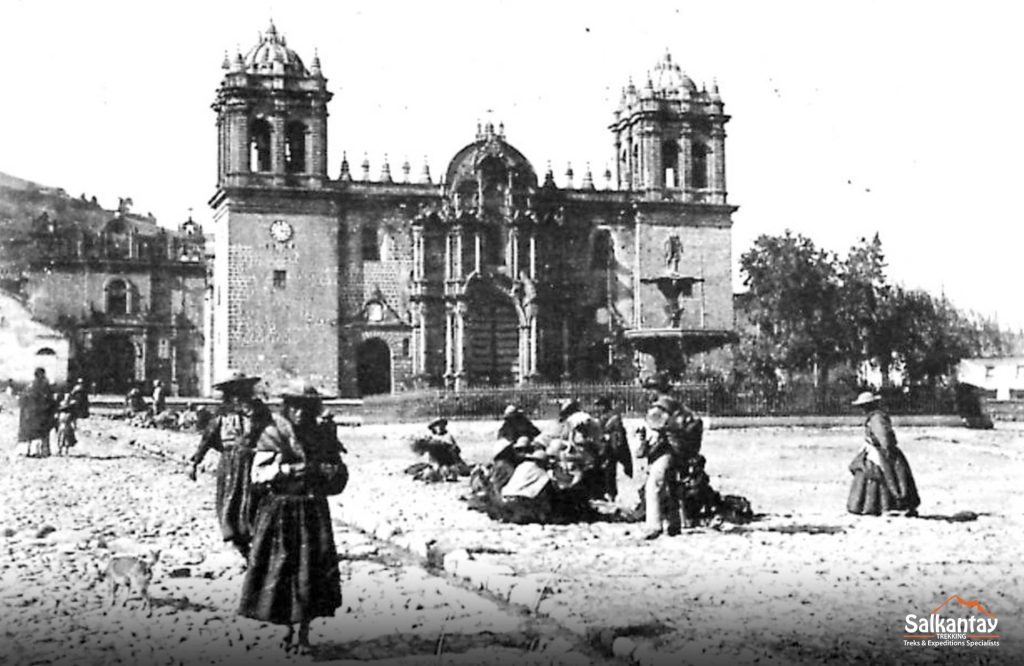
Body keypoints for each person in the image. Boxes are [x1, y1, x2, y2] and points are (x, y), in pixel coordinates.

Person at [240, 381, 345, 654]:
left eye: (306, 407)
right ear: (287, 407)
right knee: (282, 570)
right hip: (281, 511)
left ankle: (305, 633)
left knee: (311, 572)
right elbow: (258, 474)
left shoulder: (322, 435)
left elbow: (338, 473)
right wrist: (288, 470)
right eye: (294, 406)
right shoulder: (273, 433)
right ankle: (287, 628)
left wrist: (326, 471)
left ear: (313, 409)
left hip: (311, 511)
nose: (299, 412)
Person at [188, 370, 272, 557]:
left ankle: (254, 538)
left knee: (253, 500)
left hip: (253, 460)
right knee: (229, 499)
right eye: (233, 390)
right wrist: (195, 461)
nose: (237, 395)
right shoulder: (222, 414)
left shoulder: (259, 411)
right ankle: (236, 539)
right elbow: (208, 437)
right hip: (230, 461)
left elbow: (272, 434)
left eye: (240, 389)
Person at [847, 392, 921, 517]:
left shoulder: (877, 419)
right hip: (876, 449)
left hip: (881, 452)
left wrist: (885, 450)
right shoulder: (875, 417)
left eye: (864, 406)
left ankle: (890, 505)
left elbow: (884, 438)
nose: (862, 409)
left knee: (887, 475)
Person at [594, 396, 633, 501]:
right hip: (606, 448)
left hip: (612, 448)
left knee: (610, 472)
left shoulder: (613, 417)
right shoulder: (603, 417)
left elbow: (619, 435)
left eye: (599, 405)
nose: (597, 408)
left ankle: (612, 495)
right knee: (606, 473)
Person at [18, 368, 56, 457]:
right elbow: (49, 400)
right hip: (41, 414)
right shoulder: (44, 386)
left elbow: (22, 401)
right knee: (42, 433)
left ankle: (29, 451)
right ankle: (41, 451)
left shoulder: (29, 386)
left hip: (30, 414)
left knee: (30, 433)